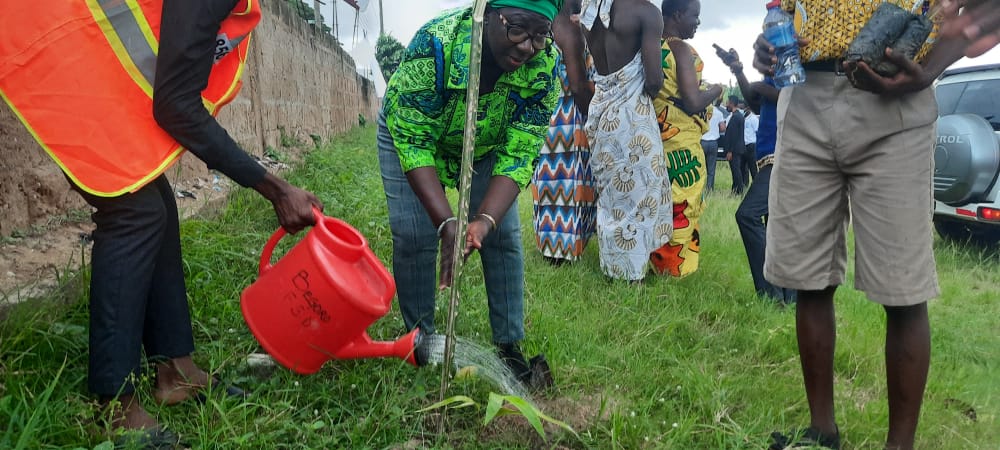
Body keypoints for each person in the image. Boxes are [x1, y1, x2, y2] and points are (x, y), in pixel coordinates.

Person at [0, 0, 323, 446]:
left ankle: (176, 370)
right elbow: (174, 106)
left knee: (157, 204)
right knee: (133, 212)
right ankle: (112, 406)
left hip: (76, 47)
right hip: (49, 39)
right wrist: (275, 188)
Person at [753, 1, 1000, 448]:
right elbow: (787, 12)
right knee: (809, 279)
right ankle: (820, 431)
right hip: (804, 96)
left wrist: (931, 69)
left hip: (896, 101)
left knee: (903, 290)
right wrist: (768, 44)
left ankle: (898, 446)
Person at [379, 0, 561, 386]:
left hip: (487, 144)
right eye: (518, 30)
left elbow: (520, 151)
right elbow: (413, 139)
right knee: (414, 236)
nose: (528, 46)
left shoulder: (546, 68)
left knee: (504, 236)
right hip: (415, 138)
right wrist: (446, 220)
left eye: (540, 35)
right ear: (491, 12)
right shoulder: (437, 43)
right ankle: (421, 342)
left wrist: (483, 220)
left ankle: (509, 347)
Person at [580, 0, 673, 282]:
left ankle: (613, 269)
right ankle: (631, 277)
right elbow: (654, 81)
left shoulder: (590, 10)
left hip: (601, 114)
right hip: (632, 118)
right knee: (639, 196)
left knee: (611, 197)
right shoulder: (646, 12)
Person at [647, 0, 723, 278]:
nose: (697, 22)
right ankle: (673, 271)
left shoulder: (648, 46)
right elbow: (692, 101)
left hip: (653, 138)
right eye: (695, 16)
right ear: (677, 15)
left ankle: (653, 262)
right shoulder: (681, 50)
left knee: (658, 202)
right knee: (682, 204)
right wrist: (716, 89)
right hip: (682, 145)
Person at [715, 46, 795, 305]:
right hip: (770, 154)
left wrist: (765, 89)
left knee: (748, 215)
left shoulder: (794, 61)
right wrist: (738, 71)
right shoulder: (775, 69)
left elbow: (802, 97)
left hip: (785, 154)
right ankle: (787, 299)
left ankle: (772, 296)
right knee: (778, 228)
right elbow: (756, 104)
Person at [531, 0, 598, 265]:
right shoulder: (569, 29)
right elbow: (578, 86)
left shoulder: (548, 21)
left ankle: (555, 249)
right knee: (568, 183)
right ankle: (564, 252)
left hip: (549, 116)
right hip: (570, 118)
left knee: (551, 185)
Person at [720, 95, 746, 195]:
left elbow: (733, 136)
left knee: (736, 171)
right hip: (738, 148)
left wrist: (730, 151)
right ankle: (735, 190)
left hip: (734, 150)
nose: (726, 105)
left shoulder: (735, 117)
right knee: (736, 170)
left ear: (731, 103)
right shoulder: (738, 116)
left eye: (727, 103)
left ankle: (739, 191)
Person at [700, 100, 726, 192]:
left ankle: (699, 188)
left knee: (700, 167)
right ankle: (709, 189)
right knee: (711, 169)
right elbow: (723, 128)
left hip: (702, 142)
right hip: (713, 143)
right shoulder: (718, 113)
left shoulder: (701, 110)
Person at [741, 102, 759, 183]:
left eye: (743, 108)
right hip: (743, 145)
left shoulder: (753, 119)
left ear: (747, 108)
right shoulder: (742, 118)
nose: (742, 110)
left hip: (751, 145)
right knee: (743, 167)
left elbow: (757, 132)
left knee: (753, 167)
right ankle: (745, 184)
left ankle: (755, 184)